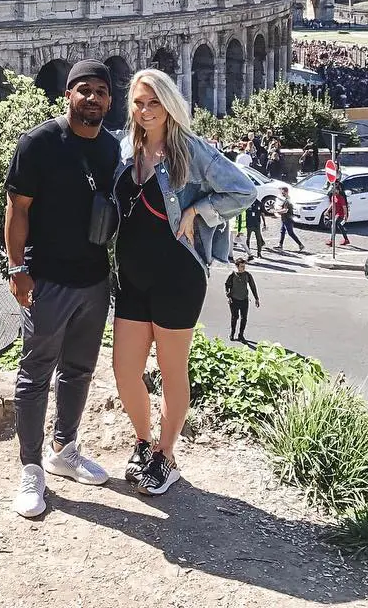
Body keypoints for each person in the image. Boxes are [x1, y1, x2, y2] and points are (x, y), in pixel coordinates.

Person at [111, 69, 255, 497]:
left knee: (173, 371)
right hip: (132, 277)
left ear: (169, 105)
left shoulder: (190, 150)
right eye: (138, 103)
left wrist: (198, 213)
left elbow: (242, 190)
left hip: (178, 275)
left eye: (154, 102)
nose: (145, 110)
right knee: (124, 371)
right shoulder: (124, 147)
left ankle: (166, 454)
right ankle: (143, 442)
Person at [4, 60, 120, 518]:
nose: (93, 98)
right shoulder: (39, 143)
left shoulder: (111, 148)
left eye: (101, 92)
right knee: (35, 376)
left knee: (79, 370)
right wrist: (17, 268)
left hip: (94, 279)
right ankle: (31, 469)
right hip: (47, 279)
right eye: (84, 90)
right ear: (67, 95)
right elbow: (17, 209)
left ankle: (64, 449)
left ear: (110, 101)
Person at [225, 257, 260, 341]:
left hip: (244, 300)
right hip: (234, 300)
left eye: (244, 266)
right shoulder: (232, 275)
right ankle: (232, 334)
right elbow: (227, 285)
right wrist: (228, 296)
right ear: (237, 266)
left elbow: (252, 286)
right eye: (241, 266)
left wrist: (256, 298)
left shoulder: (247, 275)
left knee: (244, 318)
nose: (243, 268)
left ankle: (241, 335)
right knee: (235, 317)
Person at [270, 186, 305, 252]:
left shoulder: (287, 201)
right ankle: (280, 245)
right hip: (285, 218)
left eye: (283, 193)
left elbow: (285, 210)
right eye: (282, 193)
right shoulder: (286, 199)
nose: (282, 194)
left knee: (290, 233)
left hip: (287, 219)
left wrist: (275, 211)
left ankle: (300, 245)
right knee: (282, 231)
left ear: (286, 192)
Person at [244, 195, 265, 259]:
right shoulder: (247, 203)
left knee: (258, 239)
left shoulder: (259, 203)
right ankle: (248, 253)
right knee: (247, 239)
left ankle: (259, 253)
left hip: (257, 224)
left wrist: (264, 223)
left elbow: (262, 213)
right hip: (249, 224)